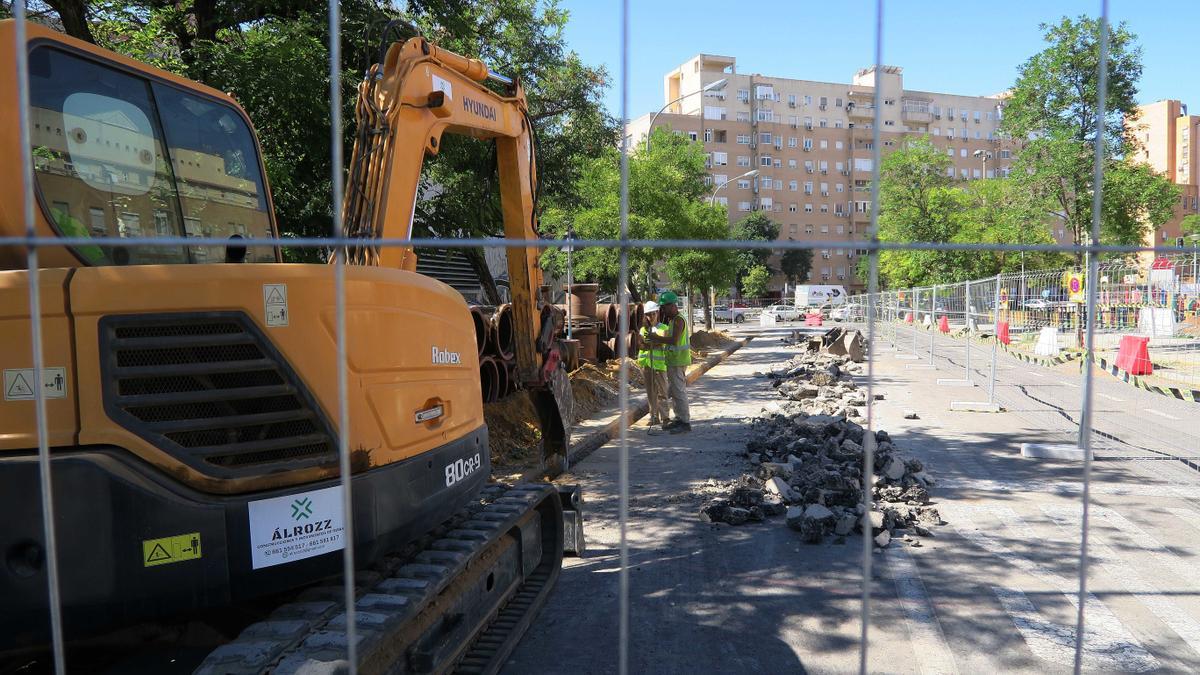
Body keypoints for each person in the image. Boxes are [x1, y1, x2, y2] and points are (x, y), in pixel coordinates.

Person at [645, 290, 691, 433]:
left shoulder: (678, 320)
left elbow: (674, 340)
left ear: (672, 306)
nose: (663, 310)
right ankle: (679, 419)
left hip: (678, 361)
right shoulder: (672, 320)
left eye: (664, 307)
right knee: (675, 392)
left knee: (679, 391)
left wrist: (656, 338)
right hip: (673, 361)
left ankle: (684, 422)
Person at [636, 301, 669, 432]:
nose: (651, 316)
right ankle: (653, 416)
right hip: (647, 365)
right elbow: (641, 344)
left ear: (657, 313)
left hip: (660, 365)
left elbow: (662, 342)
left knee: (662, 392)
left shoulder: (664, 328)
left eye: (653, 313)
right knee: (651, 393)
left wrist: (651, 342)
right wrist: (653, 342)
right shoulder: (643, 329)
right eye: (649, 314)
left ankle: (665, 417)